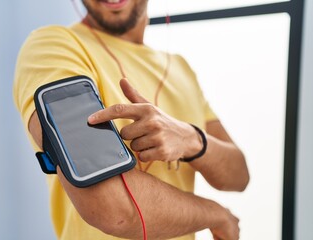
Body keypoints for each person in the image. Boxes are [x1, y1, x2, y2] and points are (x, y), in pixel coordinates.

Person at [13, 0, 250, 239]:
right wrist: (215, 214)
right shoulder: (51, 48)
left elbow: (238, 176)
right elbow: (113, 210)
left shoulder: (181, 69)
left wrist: (191, 140)